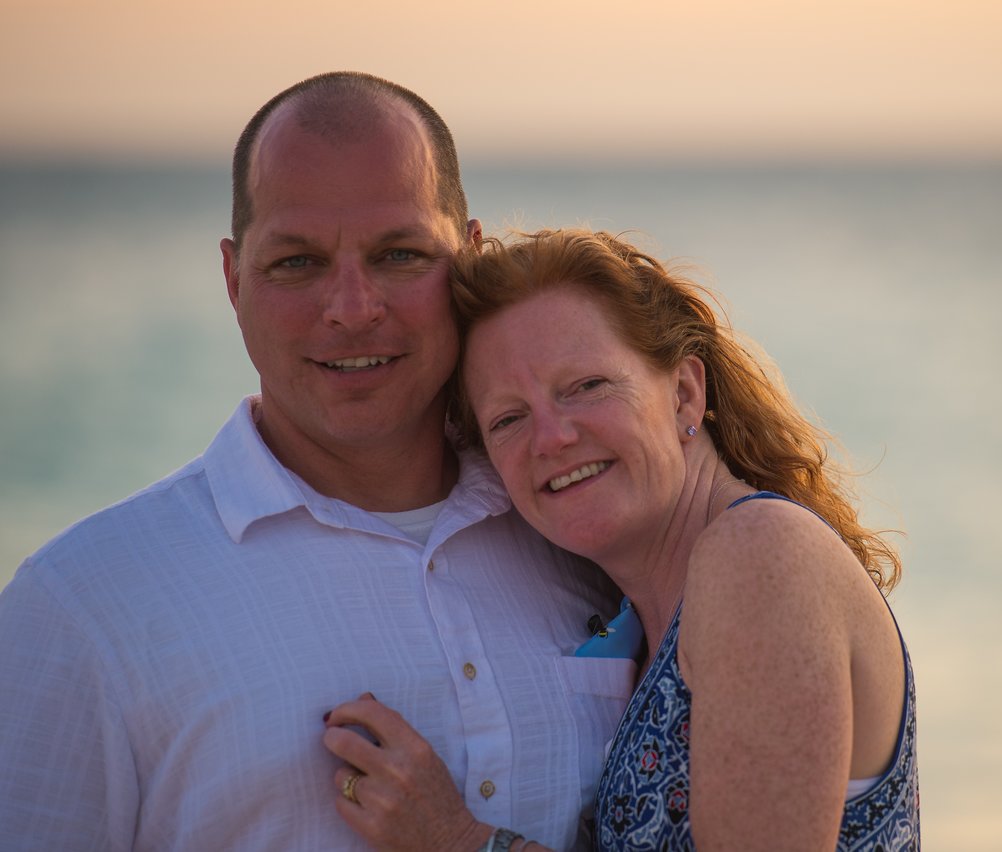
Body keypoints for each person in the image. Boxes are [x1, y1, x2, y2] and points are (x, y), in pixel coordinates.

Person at [0, 76, 631, 851]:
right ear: (234, 282)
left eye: (399, 254)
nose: (352, 307)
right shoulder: (82, 607)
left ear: (467, 258)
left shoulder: (582, 524)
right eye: (297, 264)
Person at [322, 229, 919, 850]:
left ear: (684, 393)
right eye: (508, 419)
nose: (550, 438)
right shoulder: (638, 619)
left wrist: (458, 840)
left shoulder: (759, 551)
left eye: (586, 386)